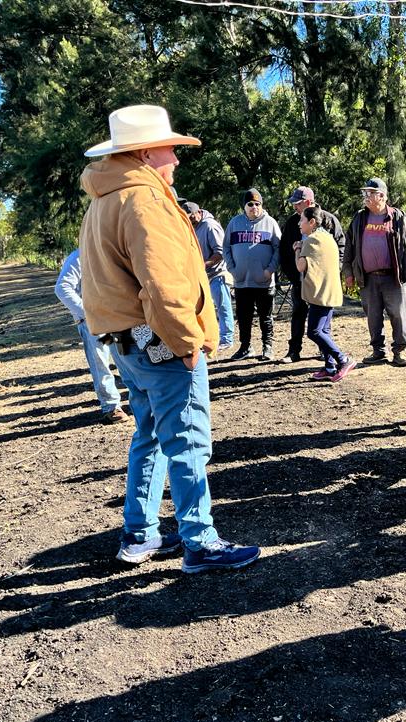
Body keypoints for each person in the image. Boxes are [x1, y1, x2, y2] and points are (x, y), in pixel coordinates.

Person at [79, 104, 260, 572]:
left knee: (150, 436)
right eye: (170, 149)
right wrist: (187, 344)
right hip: (159, 342)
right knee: (188, 441)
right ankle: (199, 543)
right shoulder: (143, 201)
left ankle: (139, 534)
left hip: (126, 343)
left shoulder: (103, 200)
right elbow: (162, 285)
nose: (177, 159)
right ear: (143, 152)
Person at [342, 177, 406, 367]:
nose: (366, 197)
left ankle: (399, 352)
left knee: (398, 315)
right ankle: (378, 351)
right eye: (365, 193)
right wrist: (348, 272)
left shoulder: (398, 217)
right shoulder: (360, 218)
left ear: (382, 196)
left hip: (394, 278)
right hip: (368, 278)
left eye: (370, 193)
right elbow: (349, 247)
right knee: (373, 316)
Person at [54, 248, 127, 423]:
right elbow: (62, 287)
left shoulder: (112, 250)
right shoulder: (79, 256)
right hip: (95, 323)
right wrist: (88, 313)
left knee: (127, 359)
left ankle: (139, 402)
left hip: (118, 317)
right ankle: (111, 406)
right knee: (101, 363)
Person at [278, 185, 345, 363]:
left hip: (322, 280)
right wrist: (293, 275)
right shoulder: (293, 222)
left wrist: (334, 269)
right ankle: (294, 351)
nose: (294, 207)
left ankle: (328, 355)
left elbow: (341, 246)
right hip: (300, 277)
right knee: (298, 313)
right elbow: (285, 249)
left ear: (308, 203)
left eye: (297, 204)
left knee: (322, 320)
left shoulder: (329, 220)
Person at [296, 205, 355, 382]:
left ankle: (343, 359)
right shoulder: (328, 237)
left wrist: (297, 249)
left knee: (313, 332)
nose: (299, 223)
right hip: (330, 292)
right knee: (324, 330)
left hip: (319, 294)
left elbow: (300, 266)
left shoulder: (311, 240)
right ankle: (329, 367)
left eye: (302, 220)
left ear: (312, 222)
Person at [224, 188, 281, 361]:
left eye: (258, 204)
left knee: (266, 317)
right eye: (250, 204)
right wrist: (232, 268)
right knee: (243, 317)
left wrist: (270, 270)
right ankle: (245, 347)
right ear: (244, 206)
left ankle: (267, 347)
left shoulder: (270, 223)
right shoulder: (234, 223)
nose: (254, 207)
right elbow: (226, 247)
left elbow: (278, 249)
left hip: (263, 281)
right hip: (242, 281)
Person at [182, 201, 233, 353]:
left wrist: (203, 265)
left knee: (223, 307)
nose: (191, 220)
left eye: (192, 216)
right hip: (202, 276)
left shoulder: (210, 226)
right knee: (205, 310)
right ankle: (208, 339)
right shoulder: (190, 227)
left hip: (217, 273)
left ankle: (227, 339)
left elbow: (220, 252)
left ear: (198, 212)